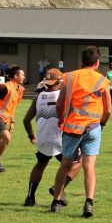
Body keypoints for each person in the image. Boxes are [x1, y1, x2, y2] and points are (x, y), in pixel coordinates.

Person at [51, 46, 112, 218]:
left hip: (72, 127)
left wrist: (61, 119)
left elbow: (59, 104)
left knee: (65, 165)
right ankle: (88, 203)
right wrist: (103, 124)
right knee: (89, 167)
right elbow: (108, 110)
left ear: (82, 61)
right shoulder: (102, 80)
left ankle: (56, 202)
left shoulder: (69, 77)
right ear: (97, 62)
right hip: (93, 127)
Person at [22, 68, 81, 207]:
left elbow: (26, 120)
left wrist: (32, 135)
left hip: (42, 139)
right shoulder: (64, 96)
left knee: (40, 165)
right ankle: (59, 189)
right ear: (59, 81)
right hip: (60, 139)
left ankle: (30, 197)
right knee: (78, 161)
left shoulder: (38, 97)